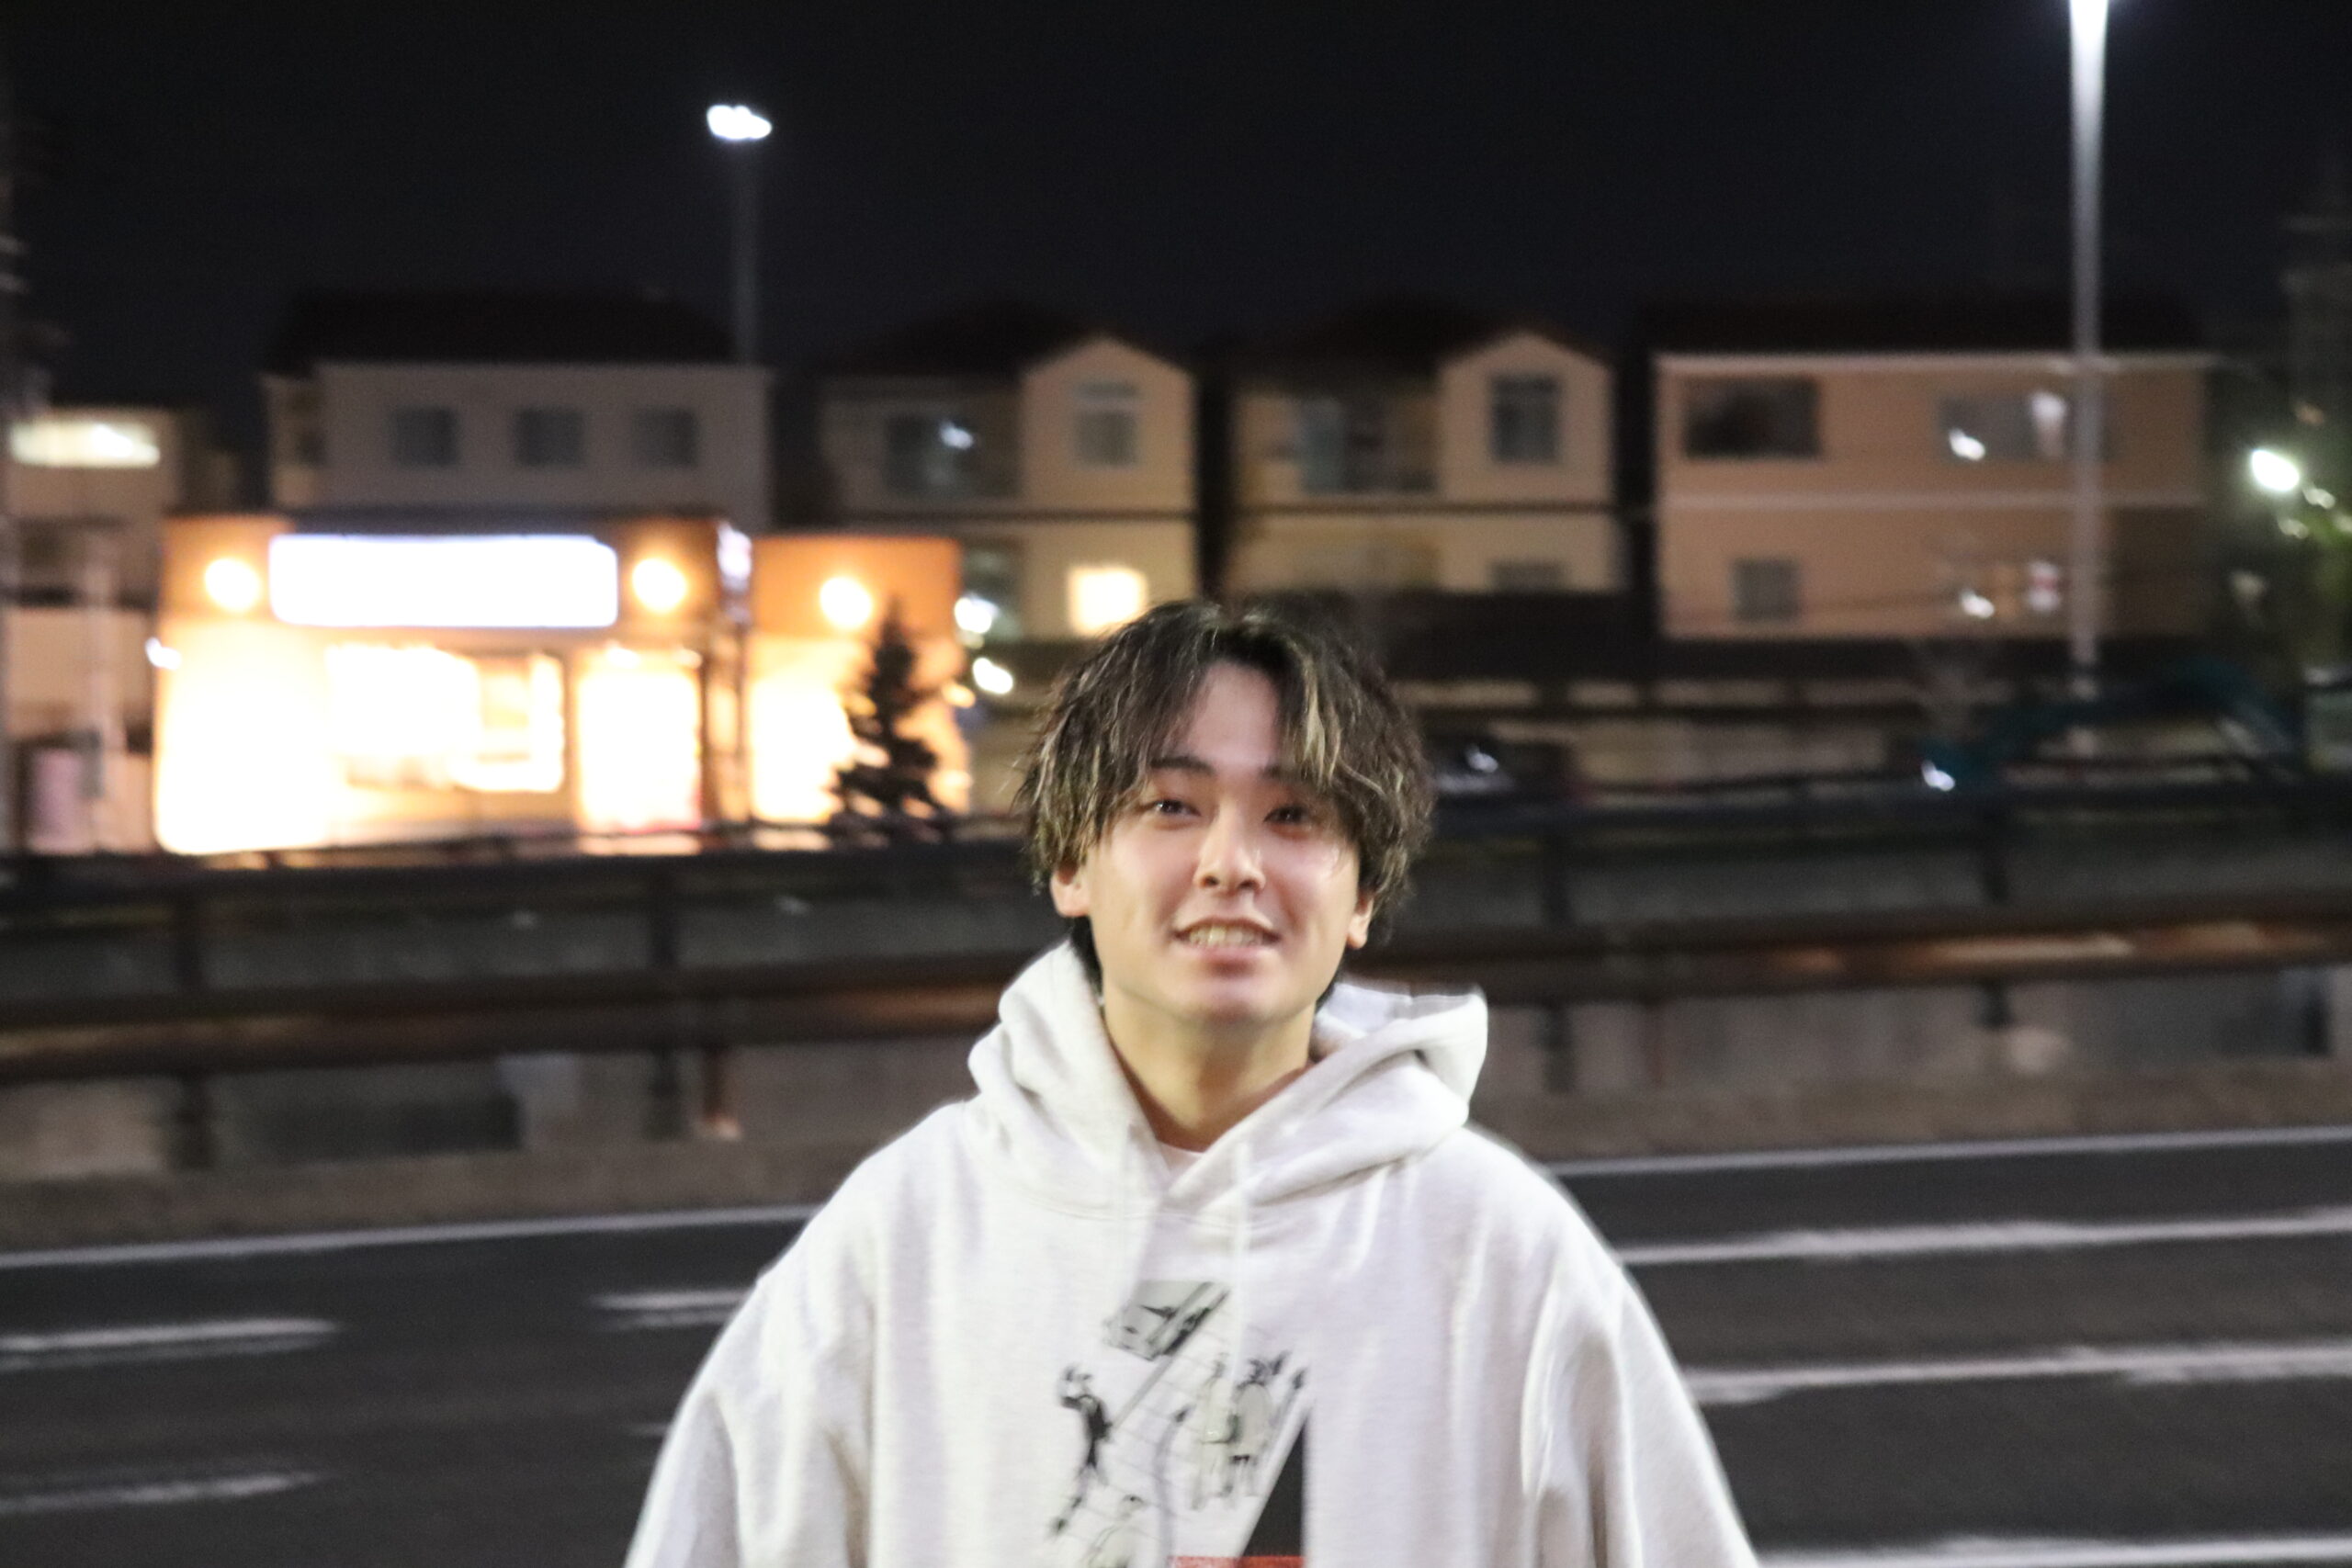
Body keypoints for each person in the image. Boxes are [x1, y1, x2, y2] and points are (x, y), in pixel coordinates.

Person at [624, 600, 1755, 1566]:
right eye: (1171, 806)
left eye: (1294, 815)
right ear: (1070, 861)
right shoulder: (906, 1233)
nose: (1231, 863)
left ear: (1362, 895)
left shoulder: (1498, 1249)